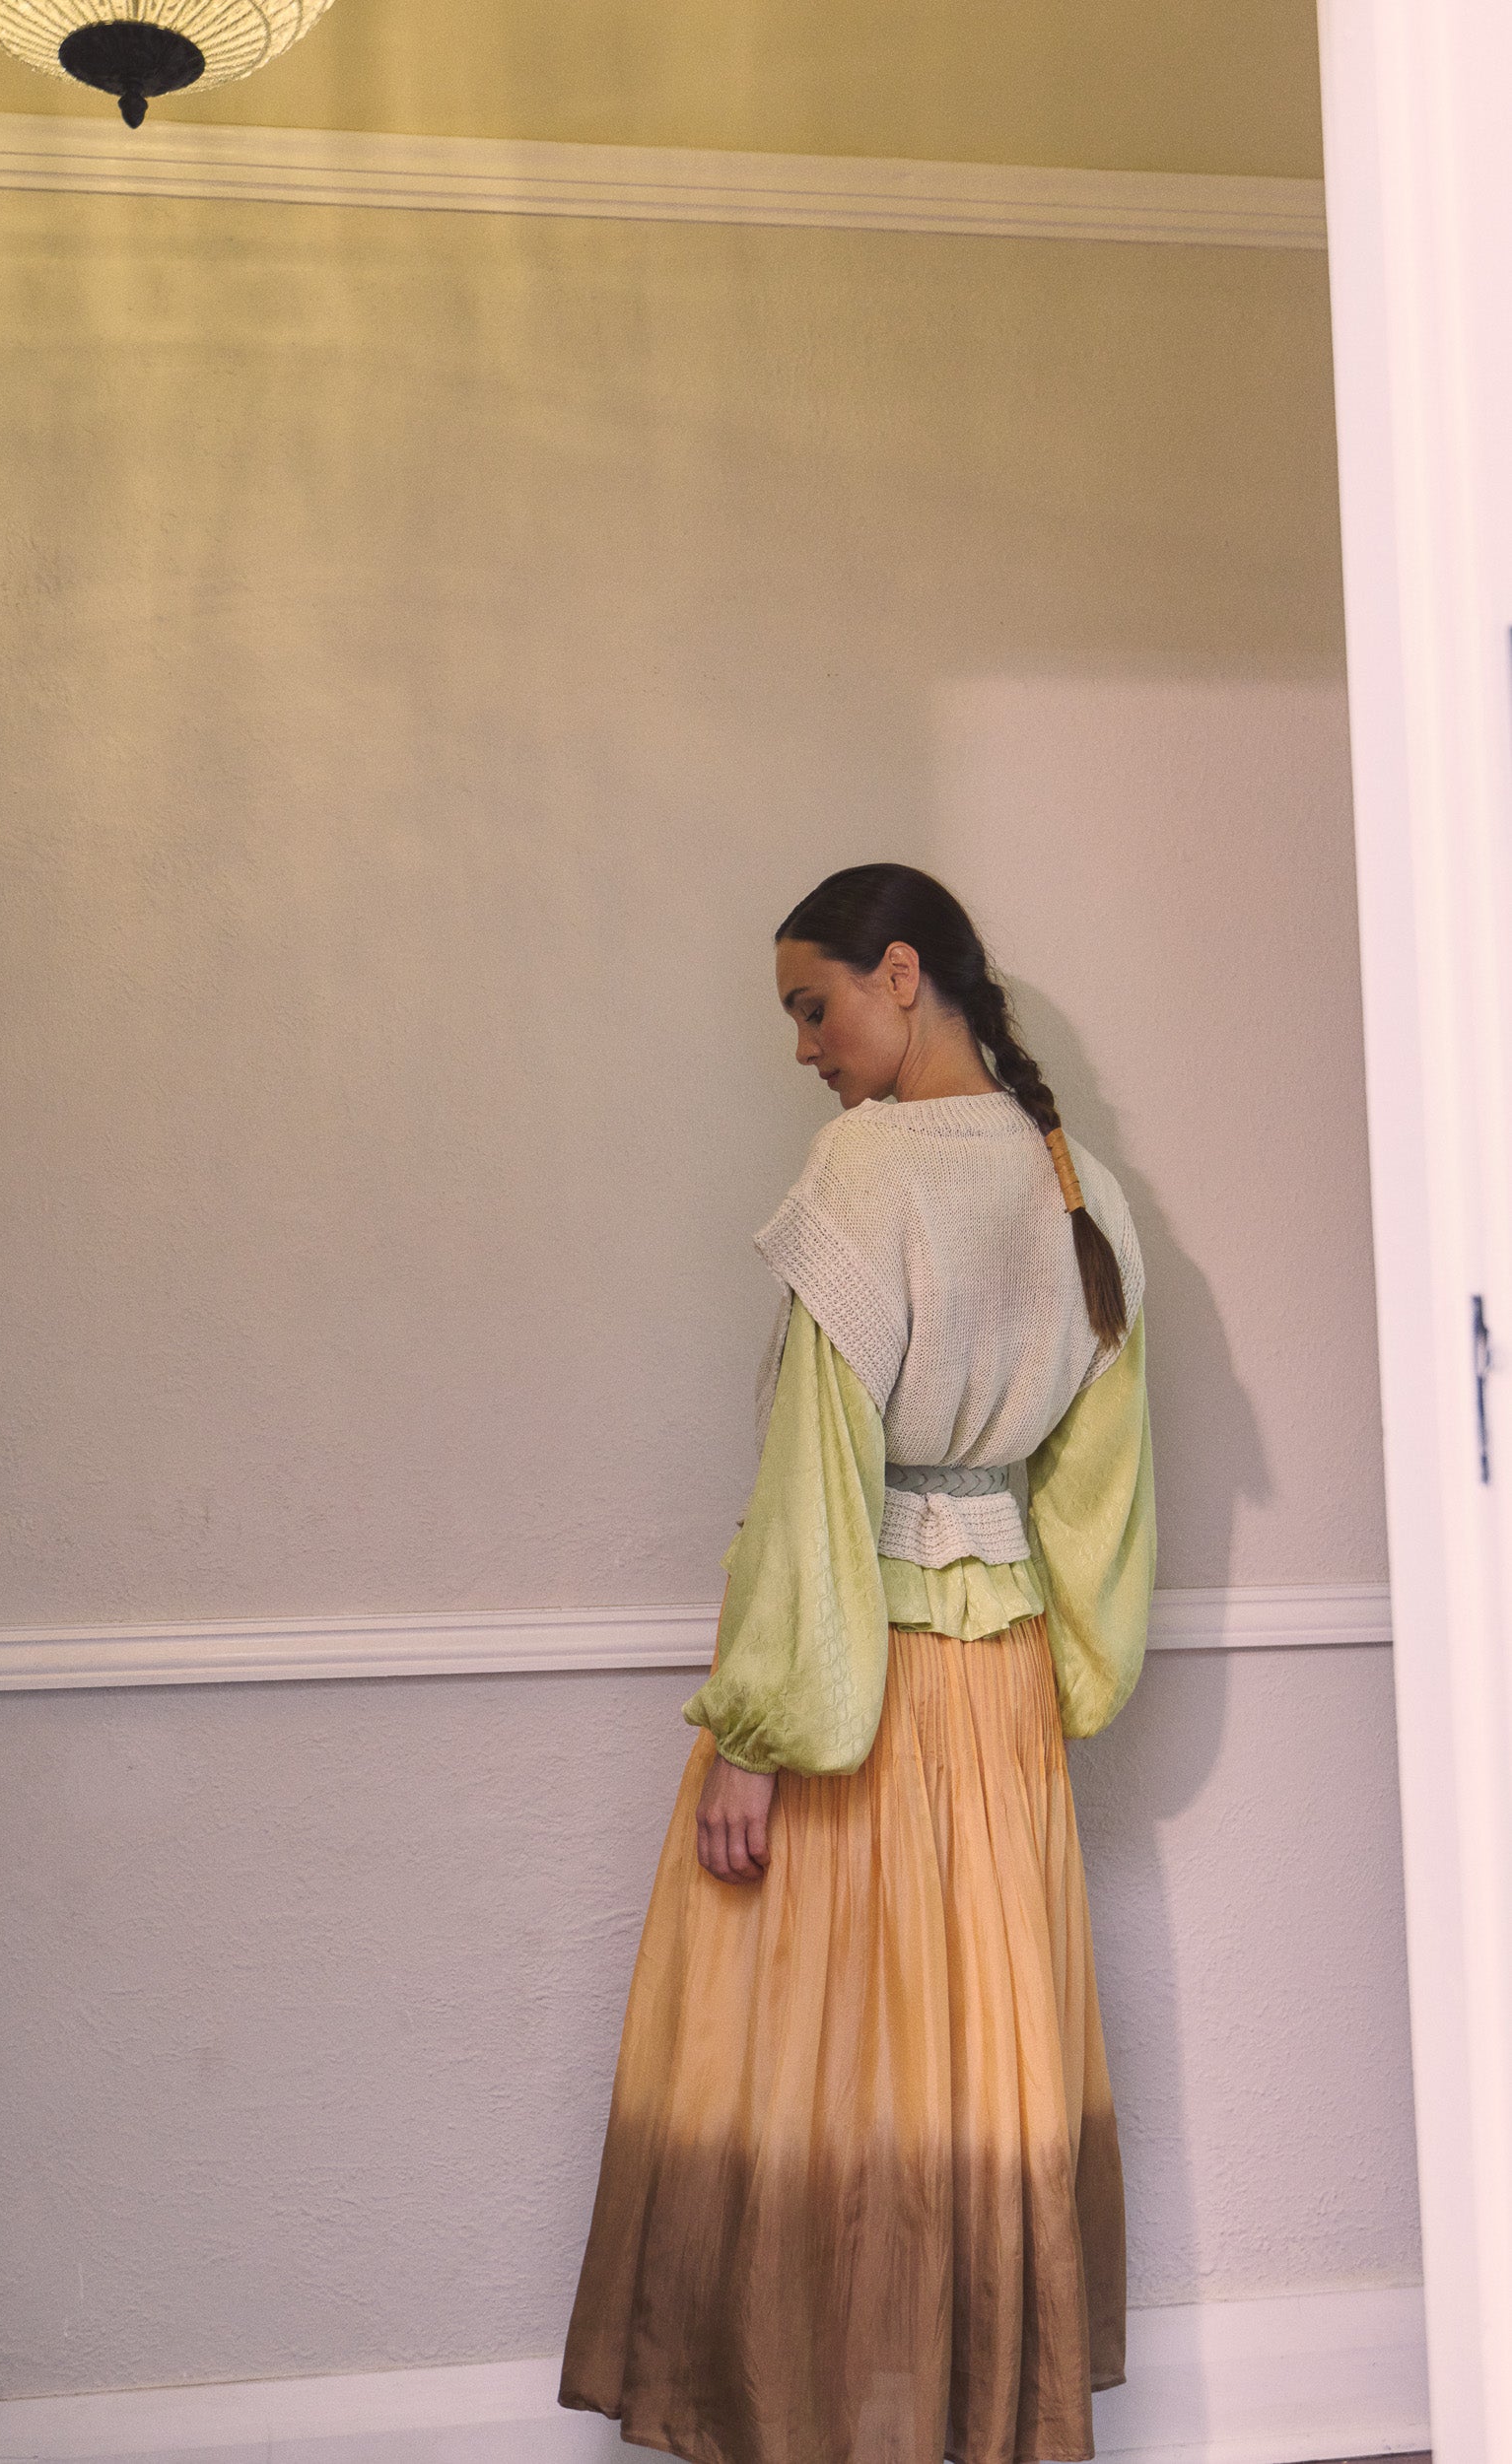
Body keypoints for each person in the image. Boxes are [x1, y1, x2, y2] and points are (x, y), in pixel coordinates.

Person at [559, 862, 1155, 2464]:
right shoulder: (1077, 1180)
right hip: (1006, 1684)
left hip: (862, 1686)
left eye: (811, 1005)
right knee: (978, 2056)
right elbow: (1099, 1489)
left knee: (826, 2069)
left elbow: (819, 1467)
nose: (802, 1046)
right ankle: (971, 2414)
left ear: (902, 974)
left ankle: (823, 2416)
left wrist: (760, 1729)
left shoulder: (866, 1169)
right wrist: (1070, 1671)